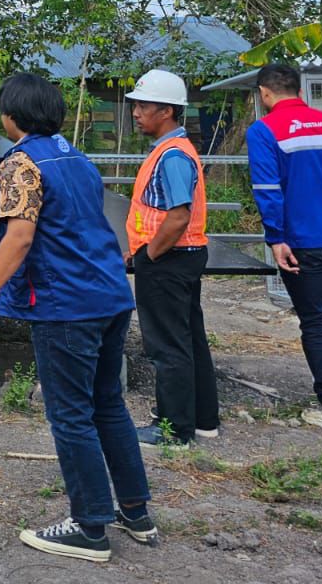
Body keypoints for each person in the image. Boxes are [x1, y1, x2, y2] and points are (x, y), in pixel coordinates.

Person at [0, 73, 154, 563]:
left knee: (71, 416)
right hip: (110, 295)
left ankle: (90, 526)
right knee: (107, 405)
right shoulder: (77, 159)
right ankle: (135, 511)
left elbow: (20, 236)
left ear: (12, 115)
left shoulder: (22, 164)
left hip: (67, 305)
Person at [246, 63, 322, 438]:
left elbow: (267, 189)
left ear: (265, 93)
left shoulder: (264, 129)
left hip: (304, 241)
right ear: (297, 89)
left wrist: (276, 238)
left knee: (316, 321)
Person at [124, 68, 219, 446]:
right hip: (180, 257)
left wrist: (148, 254)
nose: (136, 112)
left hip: (168, 260)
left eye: (143, 106)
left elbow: (178, 215)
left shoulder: (173, 156)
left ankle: (174, 427)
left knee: (167, 346)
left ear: (166, 111)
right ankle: (201, 418)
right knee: (189, 338)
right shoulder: (171, 151)